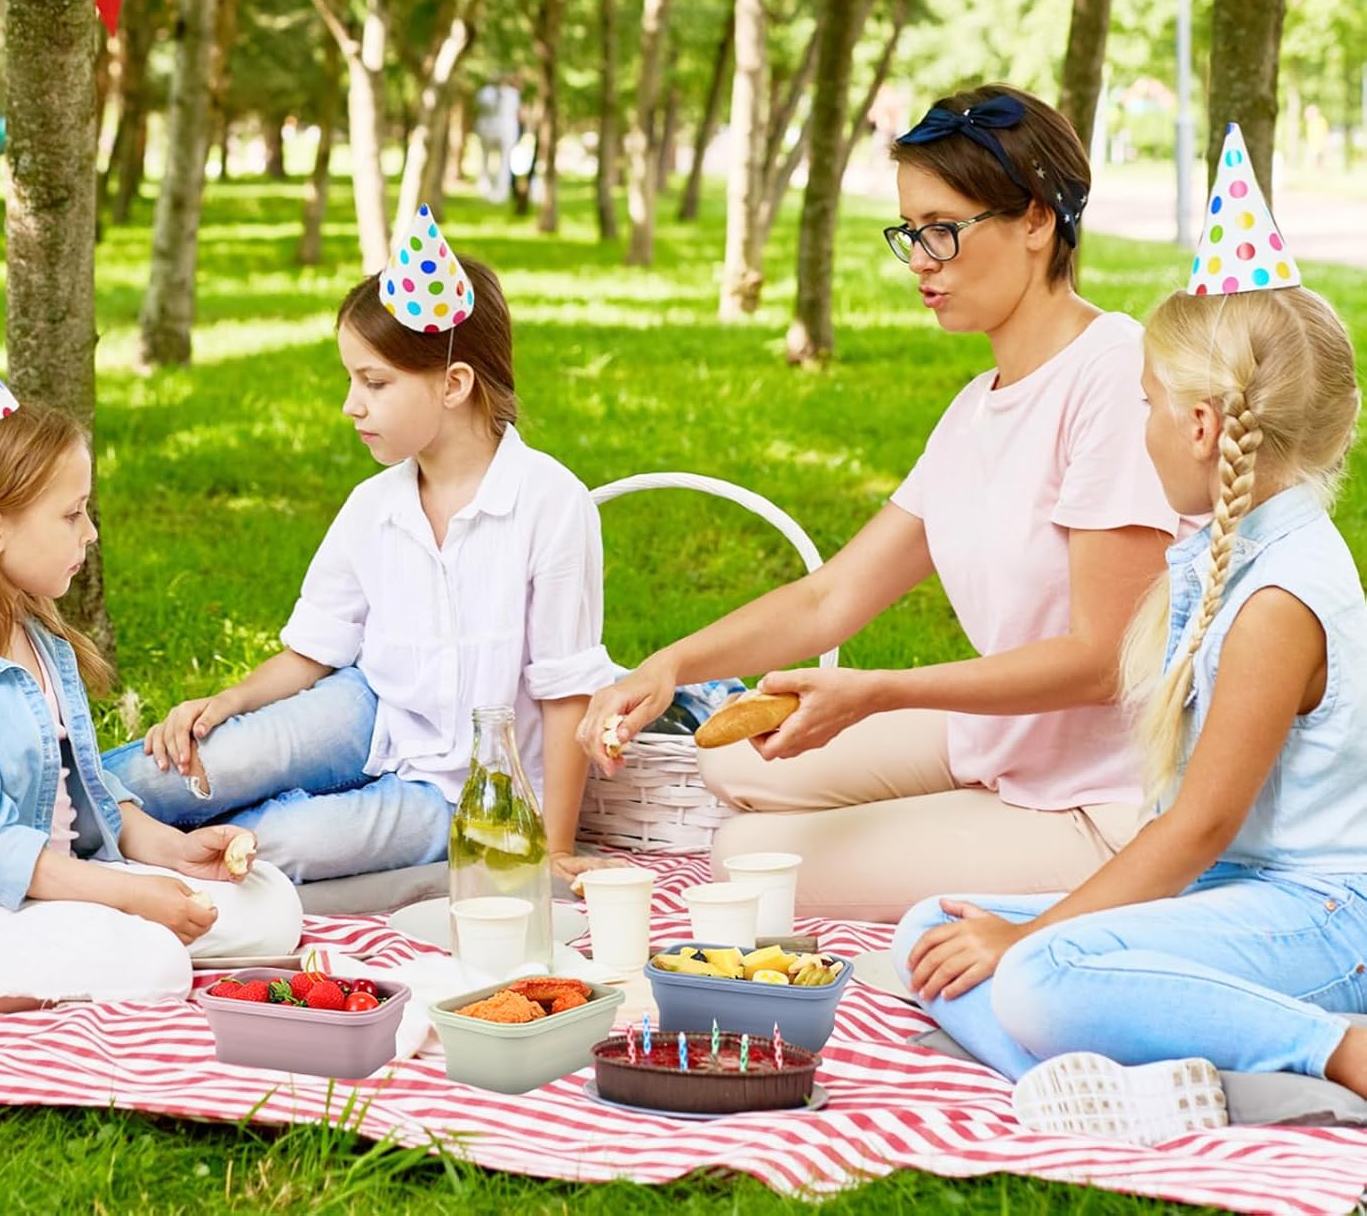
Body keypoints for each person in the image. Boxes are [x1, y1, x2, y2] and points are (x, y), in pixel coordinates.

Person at [578, 84, 1185, 921]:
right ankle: (954, 821)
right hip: (1006, 741)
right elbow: (832, 597)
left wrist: (879, 691)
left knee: (745, 858)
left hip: (1105, 801)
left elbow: (1105, 658)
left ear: (1037, 221)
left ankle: (1002, 847)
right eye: (909, 232)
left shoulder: (1114, 376)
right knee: (730, 761)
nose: (919, 262)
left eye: (943, 229)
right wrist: (670, 667)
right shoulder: (976, 408)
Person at [894, 126, 1367, 1145]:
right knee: (933, 929)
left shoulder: (1282, 596)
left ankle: (1333, 1052)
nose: (1140, 425)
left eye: (1148, 404)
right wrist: (1013, 933)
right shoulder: (1224, 555)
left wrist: (1032, 934)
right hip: (1229, 894)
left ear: (1199, 428)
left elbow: (1197, 828)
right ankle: (1170, 1073)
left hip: (1321, 920)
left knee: (1041, 971)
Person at [103, 207, 618, 889]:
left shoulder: (551, 503)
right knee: (191, 766)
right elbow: (315, 650)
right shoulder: (373, 507)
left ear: (455, 384)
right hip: (369, 712)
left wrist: (552, 848)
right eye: (352, 380)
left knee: (284, 843)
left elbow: (566, 692)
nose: (352, 404)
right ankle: (44, 816)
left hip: (460, 792)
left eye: (374, 383)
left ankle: (139, 856)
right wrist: (229, 702)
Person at [0, 282, 302, 1041]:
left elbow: (90, 794)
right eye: (72, 515)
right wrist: (131, 899)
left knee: (273, 907)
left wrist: (173, 853)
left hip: (61, 894)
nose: (90, 533)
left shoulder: (36, 636)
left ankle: (90, 950)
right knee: (155, 961)